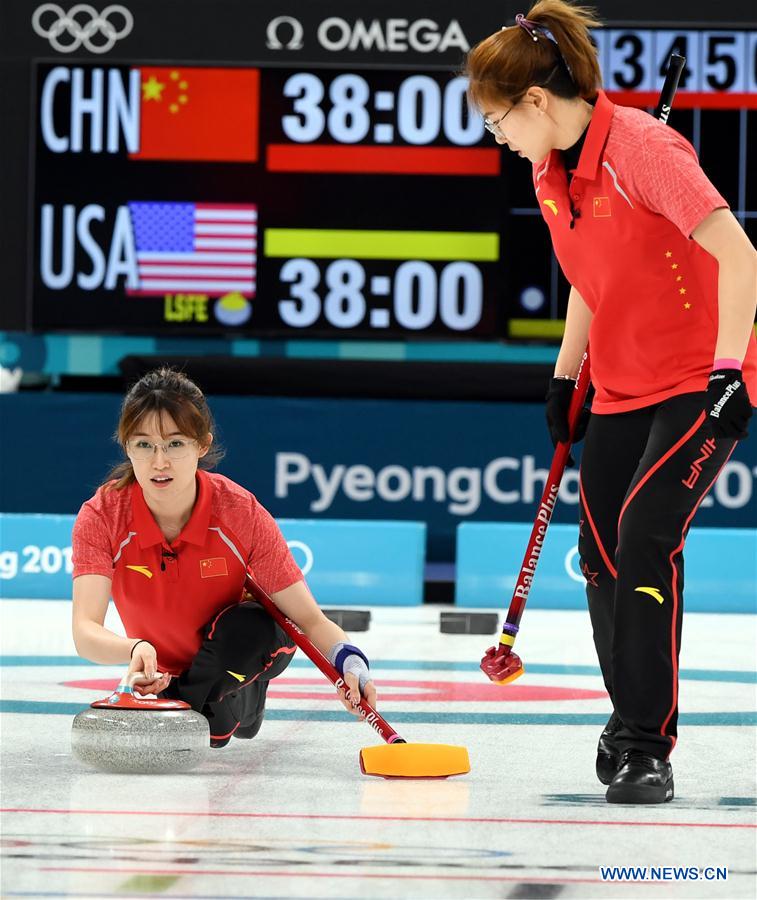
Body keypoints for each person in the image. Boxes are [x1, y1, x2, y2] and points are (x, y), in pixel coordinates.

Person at [466, 0, 756, 803]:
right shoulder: (547, 165)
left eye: (497, 122)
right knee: (598, 555)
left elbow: (740, 255)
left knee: (644, 537)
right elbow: (592, 276)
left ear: (533, 101)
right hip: (621, 380)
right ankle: (631, 713)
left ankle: (643, 745)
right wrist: (566, 375)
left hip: (701, 376)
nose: (497, 139)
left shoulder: (644, 150)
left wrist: (728, 371)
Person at [71, 367, 377, 748]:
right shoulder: (102, 516)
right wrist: (134, 648)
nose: (159, 462)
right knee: (214, 729)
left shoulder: (239, 512)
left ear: (202, 445)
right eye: (144, 444)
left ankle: (193, 701)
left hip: (241, 648)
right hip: (166, 668)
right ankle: (212, 706)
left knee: (252, 626)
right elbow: (85, 631)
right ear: (126, 446)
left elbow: (309, 620)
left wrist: (350, 663)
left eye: (176, 444)